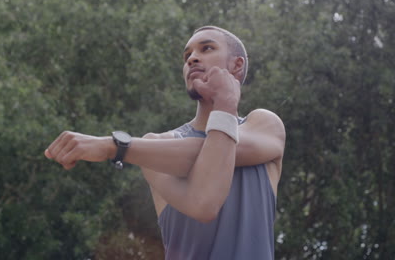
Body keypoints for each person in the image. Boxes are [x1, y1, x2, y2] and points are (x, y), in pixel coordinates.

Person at [45, 25, 286, 260]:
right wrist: (225, 105)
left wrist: (117, 147)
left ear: (237, 65)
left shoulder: (264, 124)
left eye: (207, 48)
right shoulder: (156, 144)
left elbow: (223, 148)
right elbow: (203, 204)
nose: (192, 58)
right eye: (187, 55)